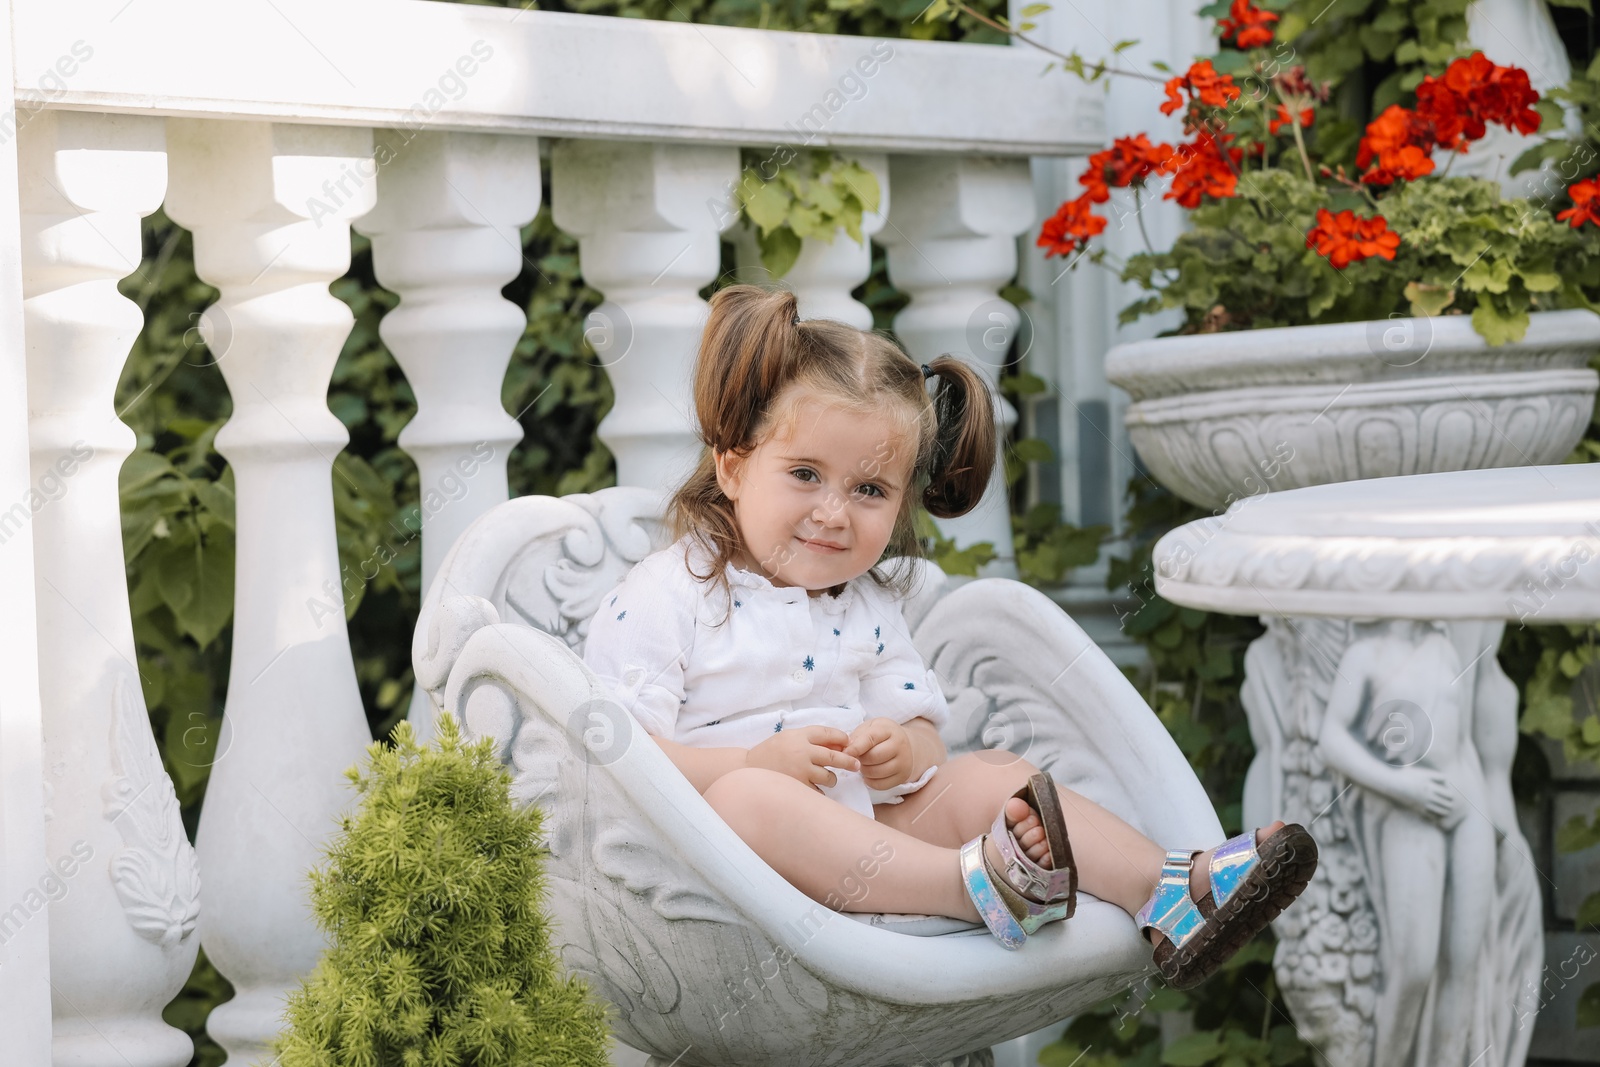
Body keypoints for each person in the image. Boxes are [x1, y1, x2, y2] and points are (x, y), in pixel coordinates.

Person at [581, 284, 1318, 985]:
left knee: (988, 770)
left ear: (903, 501)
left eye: (868, 490)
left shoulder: (864, 603)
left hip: (869, 839)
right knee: (751, 797)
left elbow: (927, 738)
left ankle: (1167, 891)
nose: (834, 512)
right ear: (734, 467)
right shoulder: (671, 593)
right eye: (805, 473)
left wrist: (902, 752)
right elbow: (617, 760)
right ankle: (971, 886)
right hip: (731, 869)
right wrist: (751, 759)